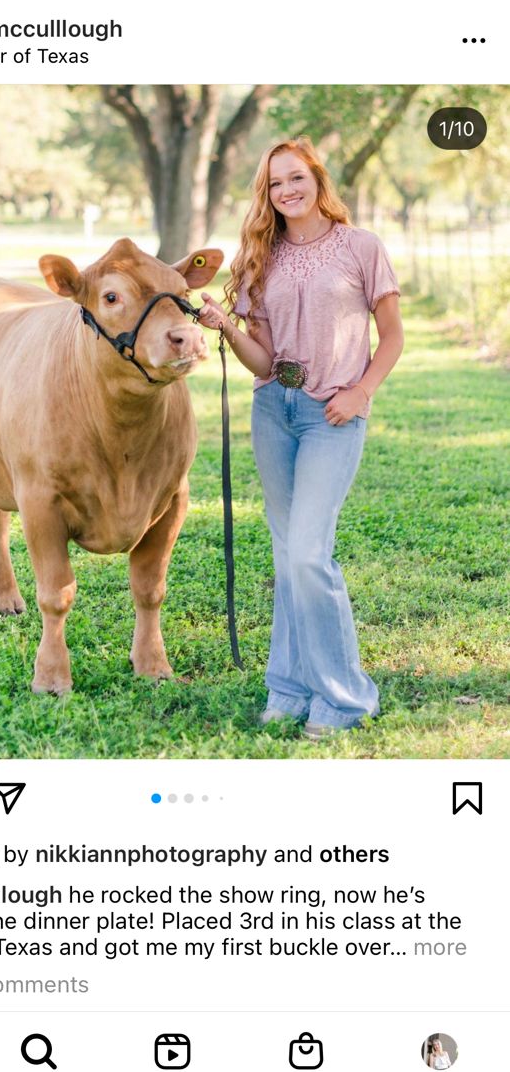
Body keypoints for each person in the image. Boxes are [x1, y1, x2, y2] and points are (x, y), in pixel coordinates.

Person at [199, 137, 404, 738]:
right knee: (289, 557)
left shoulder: (361, 248)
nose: (286, 191)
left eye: (295, 178)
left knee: (310, 554)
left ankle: (343, 699)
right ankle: (288, 688)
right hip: (274, 411)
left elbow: (391, 336)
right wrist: (227, 328)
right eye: (274, 184)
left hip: (333, 415)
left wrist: (361, 391)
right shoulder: (261, 258)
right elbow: (263, 364)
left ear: (317, 179)